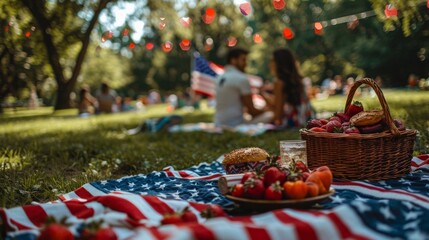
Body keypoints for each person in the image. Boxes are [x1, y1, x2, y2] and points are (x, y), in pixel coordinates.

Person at [214, 48, 272, 127]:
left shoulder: (219, 77)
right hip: (236, 124)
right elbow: (252, 111)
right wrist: (269, 110)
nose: (246, 64)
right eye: (243, 60)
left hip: (218, 122)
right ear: (233, 60)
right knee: (270, 115)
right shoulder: (241, 78)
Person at [261, 48, 314, 128]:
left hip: (292, 123)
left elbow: (278, 115)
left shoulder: (279, 83)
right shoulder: (299, 81)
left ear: (279, 63)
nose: (269, 64)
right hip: (307, 120)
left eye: (272, 60)